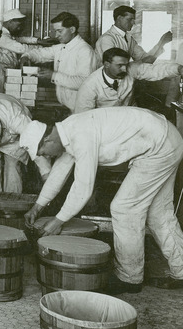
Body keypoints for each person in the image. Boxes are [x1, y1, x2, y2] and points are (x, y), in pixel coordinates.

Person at [22, 108, 183, 294]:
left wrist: (58, 220)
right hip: (166, 139)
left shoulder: (81, 135)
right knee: (158, 213)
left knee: (124, 208)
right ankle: (181, 270)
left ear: (48, 139)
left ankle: (129, 278)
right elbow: (59, 171)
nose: (45, 157)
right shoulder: (68, 131)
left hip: (160, 146)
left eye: (42, 151)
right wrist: (38, 206)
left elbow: (83, 187)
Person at [20, 12, 98, 112]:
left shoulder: (85, 51)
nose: (56, 35)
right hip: (67, 106)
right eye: (55, 31)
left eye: (59, 31)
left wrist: (53, 75)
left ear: (72, 29)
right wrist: (26, 57)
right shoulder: (62, 47)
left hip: (81, 109)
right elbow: (40, 53)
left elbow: (84, 82)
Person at [74, 47, 183, 113]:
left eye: (126, 65)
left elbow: (155, 70)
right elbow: (83, 117)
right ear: (106, 64)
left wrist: (178, 69)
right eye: (120, 65)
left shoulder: (130, 69)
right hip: (104, 122)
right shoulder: (89, 86)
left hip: (131, 116)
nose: (125, 69)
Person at [95, 5, 172, 64]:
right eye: (129, 19)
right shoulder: (107, 39)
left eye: (133, 19)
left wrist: (161, 43)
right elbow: (114, 66)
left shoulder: (129, 38)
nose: (133, 23)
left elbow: (145, 59)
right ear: (119, 18)